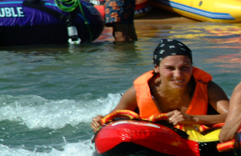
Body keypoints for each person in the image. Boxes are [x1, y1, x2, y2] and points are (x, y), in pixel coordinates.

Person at [91, 39, 230, 131]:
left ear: (192, 67)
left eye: (185, 67)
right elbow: (111, 118)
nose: (178, 75)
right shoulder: (137, 92)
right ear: (156, 68)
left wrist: (193, 119)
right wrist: (99, 121)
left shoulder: (207, 88)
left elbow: (234, 117)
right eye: (170, 68)